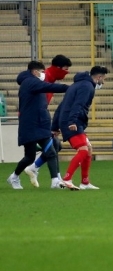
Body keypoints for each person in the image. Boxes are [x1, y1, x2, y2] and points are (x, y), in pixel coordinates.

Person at [6, 61, 68, 190]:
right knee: (29, 157)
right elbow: (49, 87)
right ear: (35, 72)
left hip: (39, 125)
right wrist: (67, 88)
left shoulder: (30, 82)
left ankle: (55, 181)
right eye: (41, 72)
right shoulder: (30, 82)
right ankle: (14, 176)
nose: (43, 74)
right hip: (31, 125)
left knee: (51, 151)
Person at [52, 66, 108, 190]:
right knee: (83, 150)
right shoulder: (87, 87)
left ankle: (85, 182)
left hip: (70, 120)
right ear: (99, 77)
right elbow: (79, 104)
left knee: (88, 148)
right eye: (103, 79)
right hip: (72, 121)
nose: (103, 82)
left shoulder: (75, 85)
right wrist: (72, 121)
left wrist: (55, 126)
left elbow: (61, 106)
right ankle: (67, 179)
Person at [23, 54, 73, 187]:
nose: (67, 73)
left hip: (38, 119)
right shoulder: (45, 78)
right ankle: (54, 179)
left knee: (55, 145)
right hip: (34, 121)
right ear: (58, 68)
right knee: (53, 145)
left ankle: (35, 169)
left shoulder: (48, 78)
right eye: (65, 69)